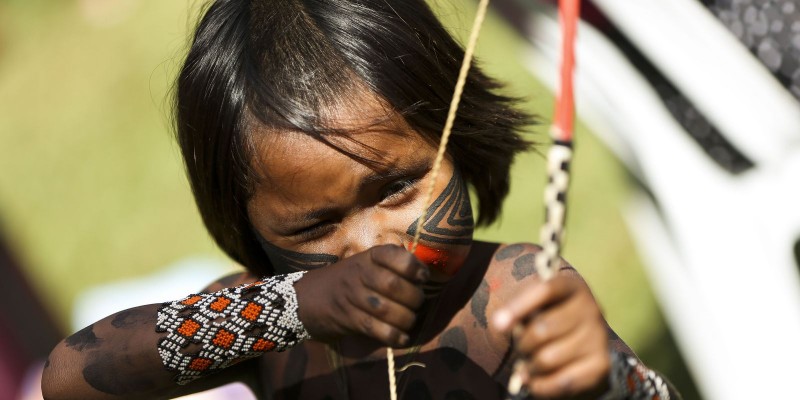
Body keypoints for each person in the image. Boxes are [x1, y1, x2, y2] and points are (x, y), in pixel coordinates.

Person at [41, 0, 680, 399]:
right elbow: (71, 376)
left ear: (456, 140)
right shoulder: (269, 318)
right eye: (314, 225)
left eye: (397, 188)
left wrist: (607, 381)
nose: (373, 246)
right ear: (249, 226)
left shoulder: (515, 295)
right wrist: (297, 307)